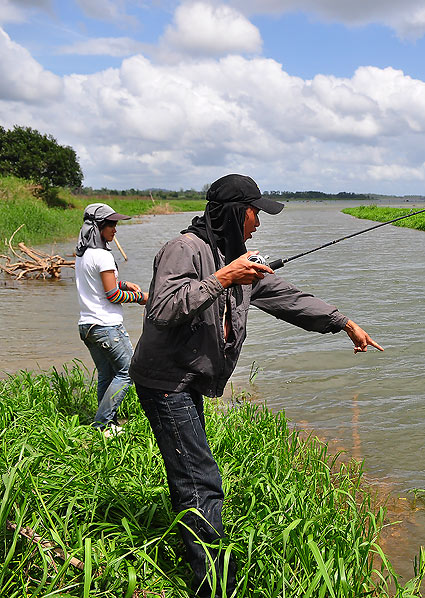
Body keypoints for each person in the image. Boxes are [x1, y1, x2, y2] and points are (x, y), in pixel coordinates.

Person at [129, 173, 382, 597]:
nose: (258, 224)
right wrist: (224, 278)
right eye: (255, 213)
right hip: (165, 381)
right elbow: (163, 309)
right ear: (234, 213)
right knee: (201, 481)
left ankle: (201, 559)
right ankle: (213, 586)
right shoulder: (184, 249)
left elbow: (288, 298)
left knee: (193, 476)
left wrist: (344, 323)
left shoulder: (234, 256)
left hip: (187, 379)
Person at [74, 203, 146, 435]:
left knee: (107, 374)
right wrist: (139, 297)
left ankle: (108, 423)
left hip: (87, 325)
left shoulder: (83, 254)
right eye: (111, 224)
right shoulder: (103, 255)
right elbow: (112, 295)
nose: (115, 229)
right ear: (98, 226)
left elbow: (97, 284)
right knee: (128, 372)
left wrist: (125, 283)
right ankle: (102, 424)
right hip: (106, 327)